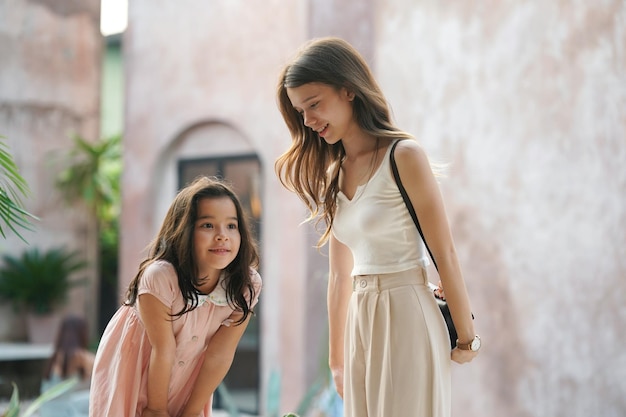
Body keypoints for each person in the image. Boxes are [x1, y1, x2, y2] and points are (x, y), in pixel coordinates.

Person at [275, 37, 479, 416]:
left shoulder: (404, 156)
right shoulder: (333, 176)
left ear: (348, 90)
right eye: (301, 111)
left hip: (408, 312)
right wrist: (337, 362)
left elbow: (444, 252)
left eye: (314, 104)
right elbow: (339, 277)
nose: (308, 121)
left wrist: (467, 338)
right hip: (360, 321)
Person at [89, 176, 262, 417]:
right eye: (208, 226)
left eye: (231, 226)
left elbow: (220, 353)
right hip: (136, 366)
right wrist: (156, 409)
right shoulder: (160, 277)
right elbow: (163, 348)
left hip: (187, 373)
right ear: (185, 231)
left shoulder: (245, 284)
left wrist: (192, 411)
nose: (222, 235)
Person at [39, 315, 96, 417]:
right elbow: (102, 366)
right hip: (59, 413)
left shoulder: (58, 354)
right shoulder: (77, 355)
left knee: (88, 398)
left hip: (46, 410)